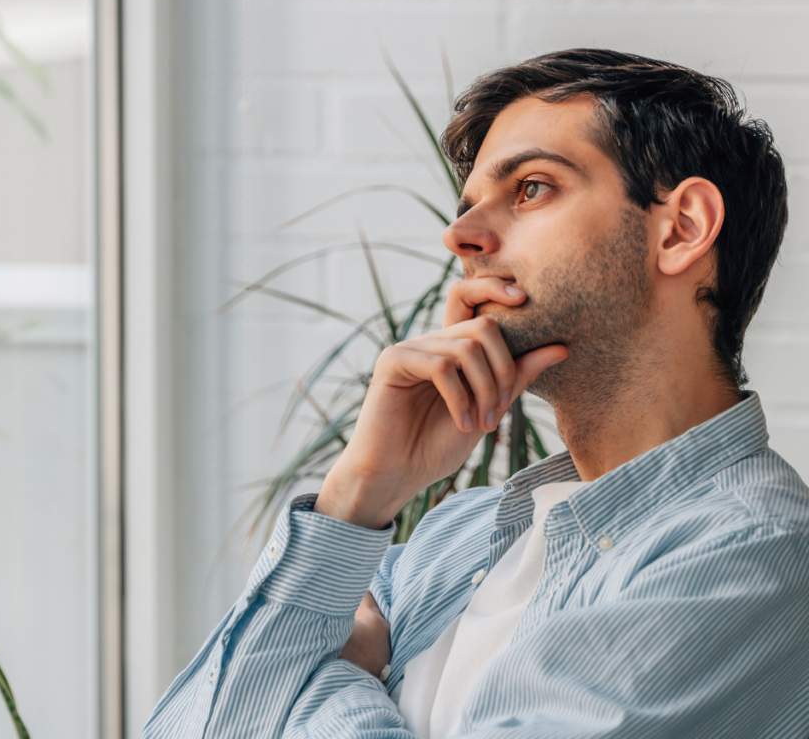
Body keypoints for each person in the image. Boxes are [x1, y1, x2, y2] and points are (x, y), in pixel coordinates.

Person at [145, 49, 809, 738]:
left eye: (530, 188)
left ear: (682, 228)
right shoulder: (452, 540)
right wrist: (356, 497)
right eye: (469, 208)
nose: (461, 237)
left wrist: (336, 676)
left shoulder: (754, 553)